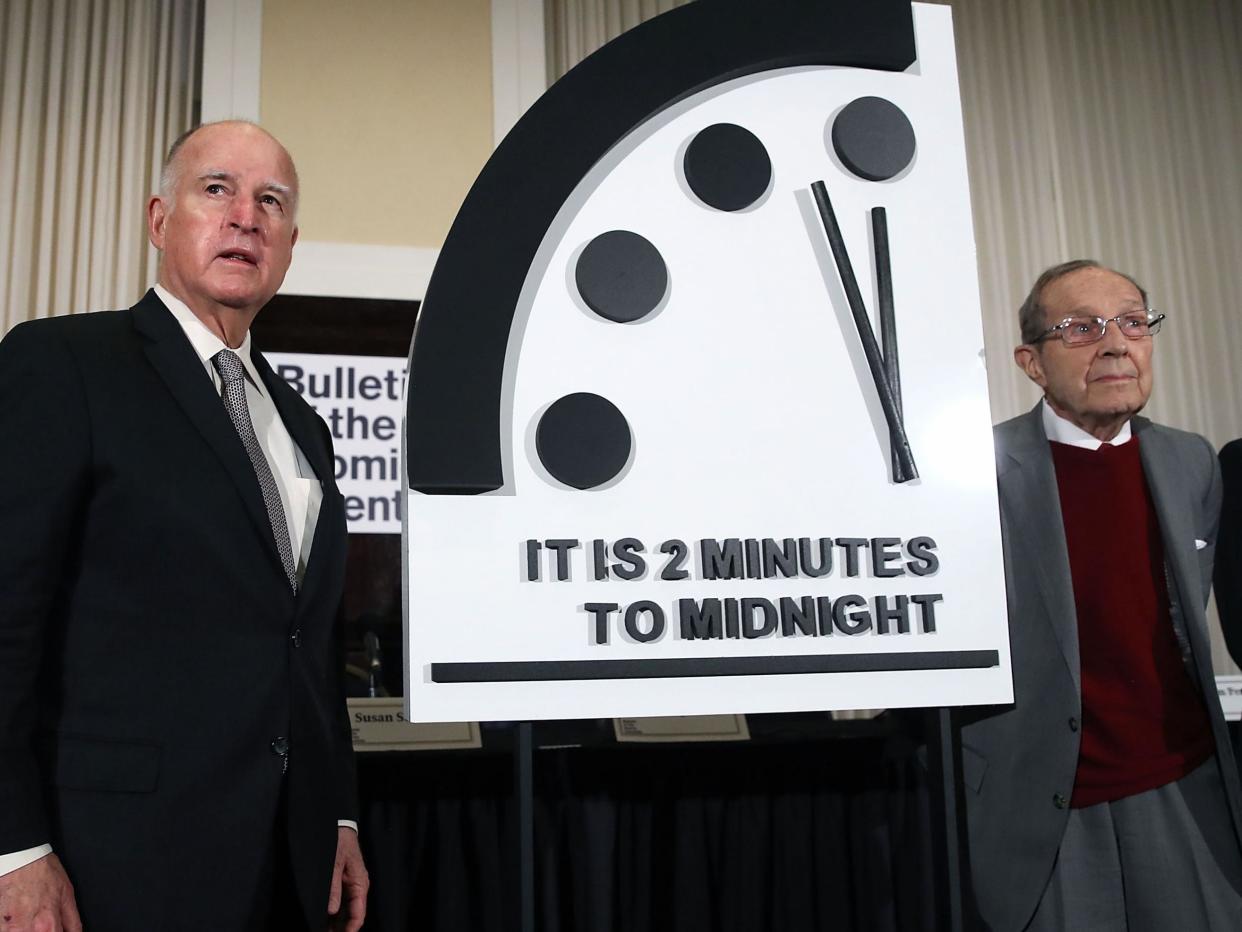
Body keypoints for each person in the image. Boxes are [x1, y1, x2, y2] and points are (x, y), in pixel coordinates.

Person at [0, 121, 368, 931]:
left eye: (270, 201)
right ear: (160, 220)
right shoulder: (62, 366)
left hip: (287, 864)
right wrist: (12, 848)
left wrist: (334, 813)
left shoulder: (304, 426)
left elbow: (304, 643)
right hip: (114, 862)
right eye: (218, 190)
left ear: (290, 243)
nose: (246, 217)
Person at [961, 259, 1242, 930]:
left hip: (1185, 789)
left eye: (1133, 323)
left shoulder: (1191, 461)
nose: (1116, 344)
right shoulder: (977, 474)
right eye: (1082, 328)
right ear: (1032, 362)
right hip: (1046, 810)